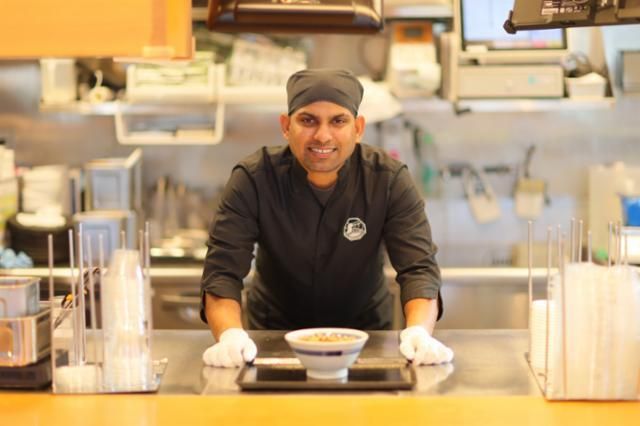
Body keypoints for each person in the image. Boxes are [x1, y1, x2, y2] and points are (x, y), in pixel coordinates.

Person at [200, 68, 453, 367]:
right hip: (271, 339)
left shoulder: (387, 179)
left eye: (338, 121)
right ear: (286, 126)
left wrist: (419, 332)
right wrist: (230, 335)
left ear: (358, 128)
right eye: (308, 120)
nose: (322, 135)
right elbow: (222, 273)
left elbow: (419, 269)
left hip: (367, 339)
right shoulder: (254, 179)